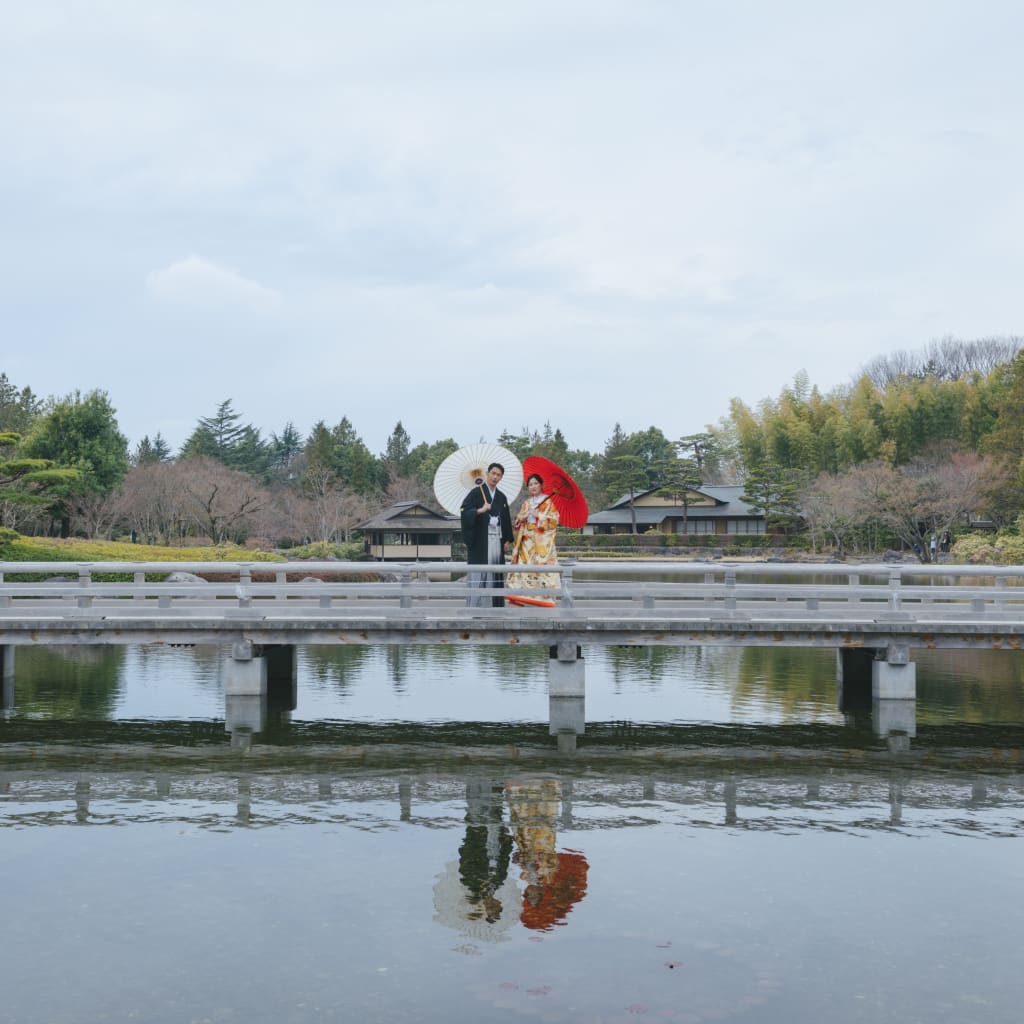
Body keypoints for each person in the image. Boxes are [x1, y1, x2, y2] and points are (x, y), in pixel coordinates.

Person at [460, 462, 514, 607]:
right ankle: (474, 609)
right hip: (480, 542)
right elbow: (464, 513)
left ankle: (494, 609)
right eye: (493, 473)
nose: (495, 477)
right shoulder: (476, 493)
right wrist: (479, 511)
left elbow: (506, 519)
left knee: (495, 573)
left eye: (499, 475)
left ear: (501, 478)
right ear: (487, 474)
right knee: (479, 573)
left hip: (497, 540)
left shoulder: (501, 497)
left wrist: (507, 540)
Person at [508, 473, 559, 590]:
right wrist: (521, 518)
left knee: (541, 566)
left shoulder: (548, 502)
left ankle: (543, 595)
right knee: (524, 564)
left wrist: (539, 515)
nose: (533, 486)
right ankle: (523, 593)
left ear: (541, 485)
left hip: (541, 541)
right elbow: (517, 521)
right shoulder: (527, 503)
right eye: (530, 484)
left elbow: (554, 521)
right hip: (526, 540)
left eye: (536, 483)